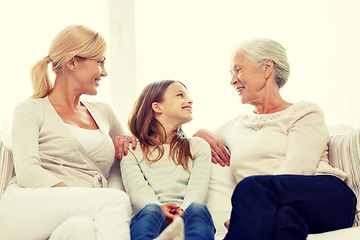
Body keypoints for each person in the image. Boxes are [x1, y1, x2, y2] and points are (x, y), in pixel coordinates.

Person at [194, 38, 357, 240]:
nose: (232, 80)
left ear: (267, 67)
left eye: (239, 70)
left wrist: (248, 211)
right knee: (283, 223)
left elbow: (299, 166)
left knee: (253, 186)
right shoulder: (233, 126)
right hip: (278, 209)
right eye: (231, 74)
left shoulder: (305, 112)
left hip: (326, 198)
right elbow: (194, 141)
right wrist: (199, 133)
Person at [0, 25, 134, 240]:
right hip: (27, 206)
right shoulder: (30, 110)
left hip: (79, 214)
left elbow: (136, 149)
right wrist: (84, 198)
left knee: (83, 229)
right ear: (72, 62)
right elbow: (28, 172)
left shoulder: (104, 112)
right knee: (115, 200)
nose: (105, 72)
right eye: (99, 62)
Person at [120, 80, 216, 240]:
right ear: (157, 107)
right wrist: (160, 210)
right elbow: (138, 191)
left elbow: (197, 190)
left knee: (198, 208)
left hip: (187, 217)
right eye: (180, 95)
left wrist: (181, 212)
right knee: (151, 210)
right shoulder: (131, 150)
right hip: (150, 218)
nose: (190, 100)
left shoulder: (198, 147)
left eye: (188, 96)